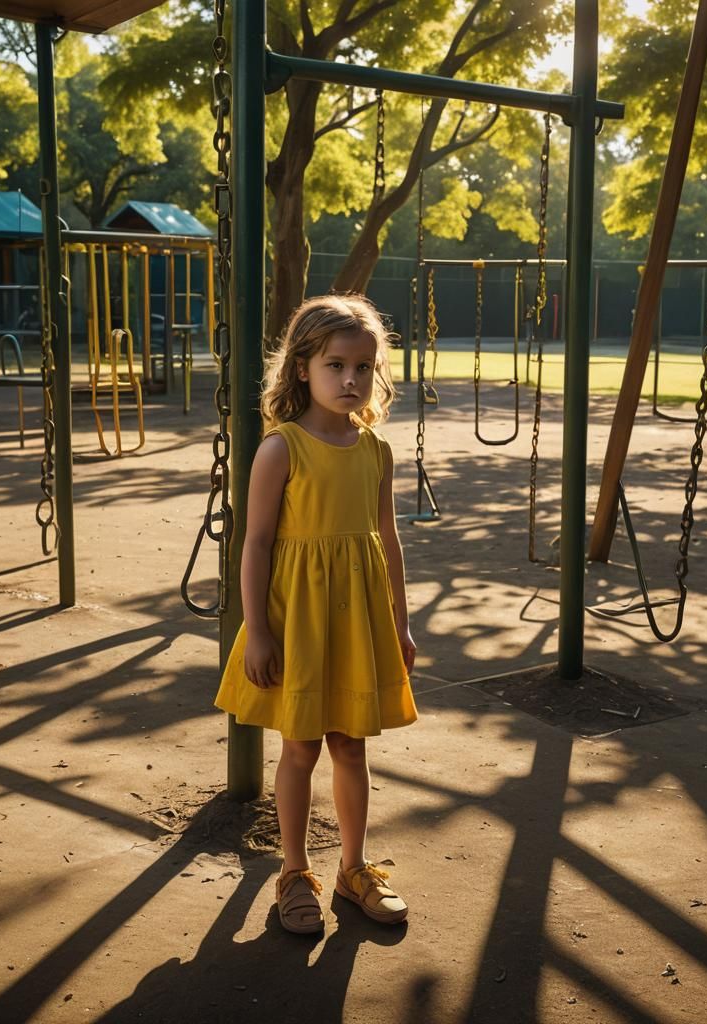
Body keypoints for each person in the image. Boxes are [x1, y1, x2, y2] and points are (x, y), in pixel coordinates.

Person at [215, 293, 418, 934]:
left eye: (363, 367)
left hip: (357, 622)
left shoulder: (375, 450)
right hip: (297, 620)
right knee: (301, 747)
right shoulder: (282, 449)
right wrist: (258, 631)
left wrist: (401, 623)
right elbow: (255, 544)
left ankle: (354, 870)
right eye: (335, 365)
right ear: (302, 368)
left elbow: (388, 540)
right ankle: (295, 871)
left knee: (351, 746)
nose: (351, 379)